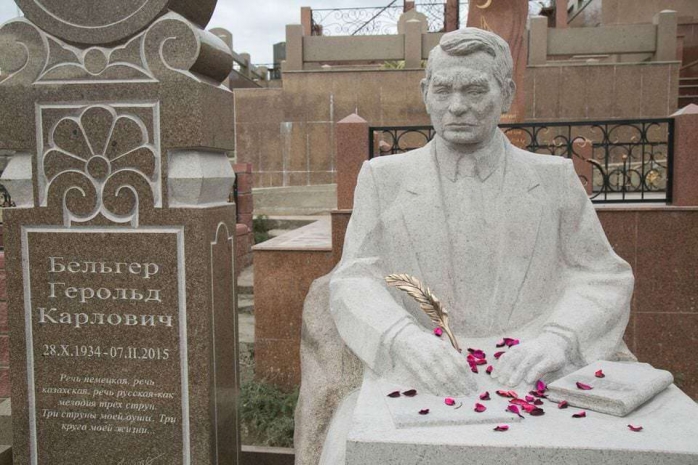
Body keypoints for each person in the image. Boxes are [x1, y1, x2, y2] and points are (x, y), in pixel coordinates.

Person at [296, 27, 634, 465]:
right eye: (443, 90)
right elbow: (356, 277)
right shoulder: (383, 178)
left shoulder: (553, 179)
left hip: (534, 364)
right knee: (345, 448)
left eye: (475, 90)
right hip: (415, 365)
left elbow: (602, 275)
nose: (456, 106)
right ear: (425, 92)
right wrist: (402, 339)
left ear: (506, 93)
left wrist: (558, 339)